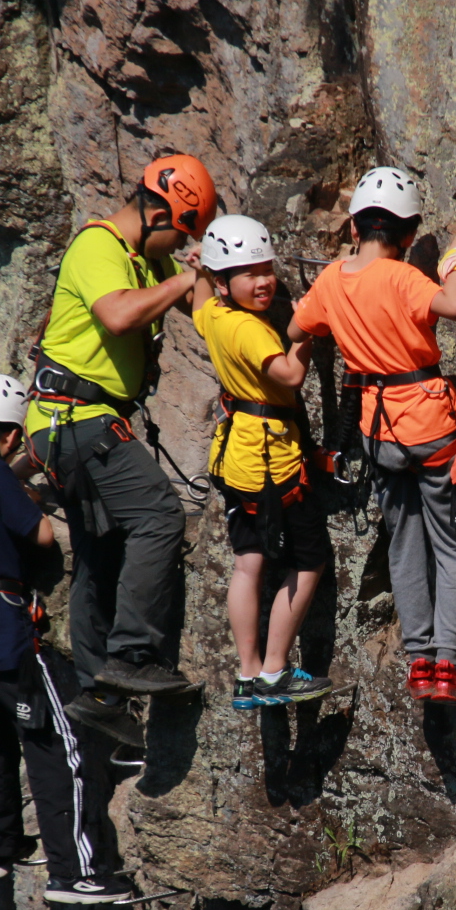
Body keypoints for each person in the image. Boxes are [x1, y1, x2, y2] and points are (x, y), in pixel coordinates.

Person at [26, 153, 219, 740]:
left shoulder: (143, 261)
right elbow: (115, 317)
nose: (180, 242)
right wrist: (185, 276)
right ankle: (134, 656)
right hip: (75, 417)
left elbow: (202, 313)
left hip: (74, 422)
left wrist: (205, 276)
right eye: (181, 229)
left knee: (99, 552)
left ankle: (99, 693)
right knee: (159, 515)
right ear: (156, 210)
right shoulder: (100, 247)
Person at [0, 375, 135, 904]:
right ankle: (76, 873)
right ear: (7, 436)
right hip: (2, 625)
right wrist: (30, 498)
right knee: (55, 745)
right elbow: (41, 535)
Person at [285, 167, 456, 704]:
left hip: (378, 431)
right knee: (454, 548)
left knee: (405, 542)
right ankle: (447, 665)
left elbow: (297, 331)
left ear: (354, 229)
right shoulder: (402, 276)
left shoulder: (331, 280)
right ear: (409, 235)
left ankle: (418, 659)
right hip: (428, 426)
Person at [189, 214, 336, 710]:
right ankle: (275, 672)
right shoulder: (252, 331)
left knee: (248, 564)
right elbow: (292, 375)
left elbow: (197, 301)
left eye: (266, 267)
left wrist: (201, 272)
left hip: (235, 456)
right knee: (310, 557)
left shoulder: (213, 313)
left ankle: (248, 673)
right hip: (270, 462)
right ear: (227, 284)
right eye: (249, 273)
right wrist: (310, 321)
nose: (264, 280)